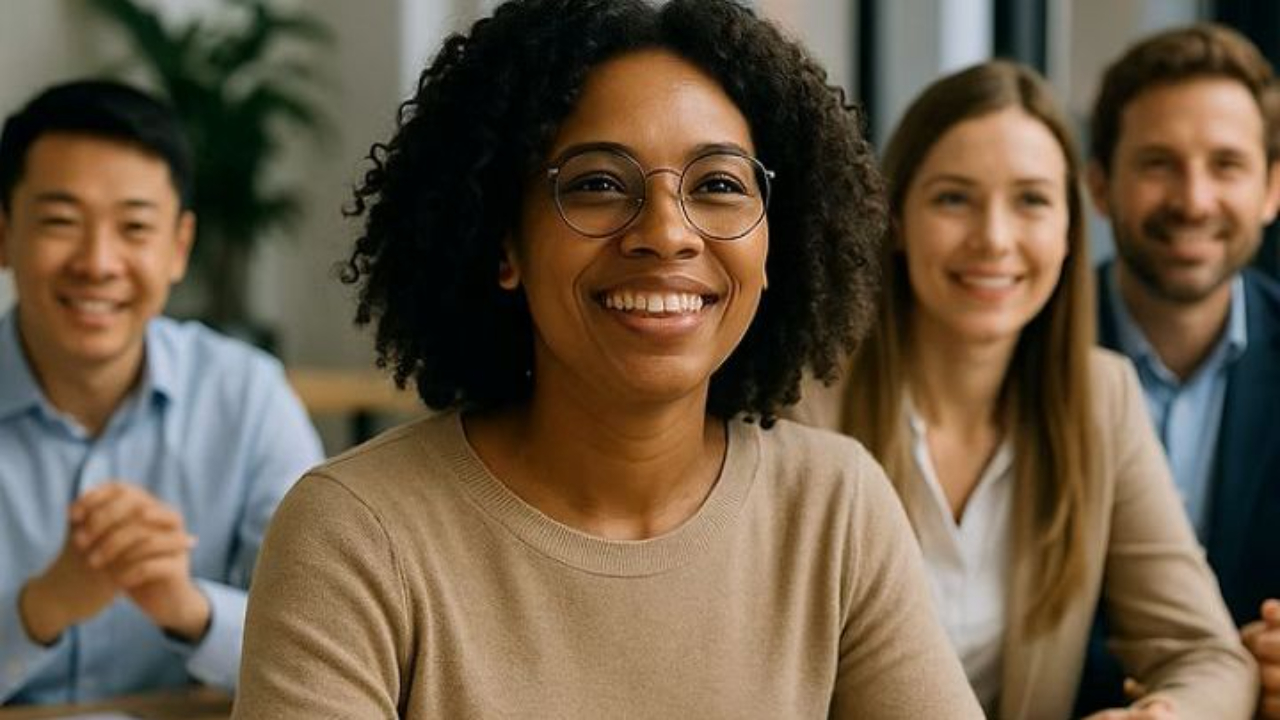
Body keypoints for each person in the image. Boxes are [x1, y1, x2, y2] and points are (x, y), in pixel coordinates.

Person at [231, 0, 985, 717]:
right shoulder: (356, 534)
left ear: (773, 244)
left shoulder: (836, 508)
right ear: (504, 243)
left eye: (718, 184)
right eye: (596, 184)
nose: (665, 232)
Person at [792, 60, 1256, 719]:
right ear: (894, 219)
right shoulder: (803, 404)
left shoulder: (1103, 400)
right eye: (953, 198)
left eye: (1032, 200)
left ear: (1070, 229)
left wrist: (1166, 715)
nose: (995, 239)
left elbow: (1208, 655)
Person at [0, 80, 323, 704]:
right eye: (61, 221)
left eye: (134, 227)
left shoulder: (247, 396)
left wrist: (189, 609)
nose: (98, 262)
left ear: (178, 248)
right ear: (4, 233)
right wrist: (39, 610)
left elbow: (327, 640)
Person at [1073, 23, 1280, 718]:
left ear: (1272, 188)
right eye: (1159, 163)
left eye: (1226, 164)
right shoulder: (1020, 356)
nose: (1193, 200)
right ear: (1100, 185)